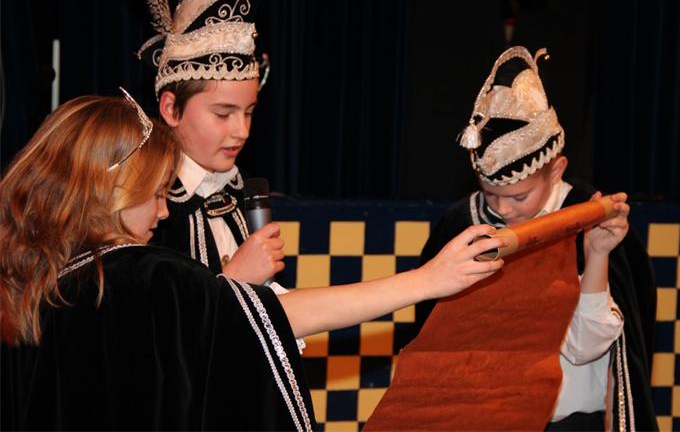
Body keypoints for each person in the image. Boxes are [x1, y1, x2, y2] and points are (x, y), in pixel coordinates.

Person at [0, 93, 505, 431]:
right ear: (113, 189)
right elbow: (284, 316)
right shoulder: (140, 275)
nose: (163, 211)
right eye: (154, 194)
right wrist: (426, 280)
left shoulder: (44, 273)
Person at [414, 46, 658, 431]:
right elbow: (436, 338)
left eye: (518, 197)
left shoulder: (590, 221)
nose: (503, 209)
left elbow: (584, 348)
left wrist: (596, 256)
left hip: (570, 421)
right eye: (490, 194)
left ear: (557, 170)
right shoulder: (463, 222)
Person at [102, 0, 282, 283]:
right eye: (223, 114)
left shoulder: (238, 190)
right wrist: (233, 280)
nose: (242, 131)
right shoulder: (143, 205)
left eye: (248, 112)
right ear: (171, 109)